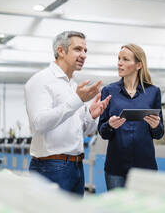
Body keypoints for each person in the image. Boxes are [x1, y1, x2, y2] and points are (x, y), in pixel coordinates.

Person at [24, 31, 111, 196]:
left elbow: (83, 130)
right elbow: (39, 123)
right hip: (51, 167)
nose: (84, 55)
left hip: (76, 165)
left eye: (85, 51)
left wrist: (91, 116)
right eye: (78, 49)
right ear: (61, 51)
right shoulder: (41, 81)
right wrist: (77, 100)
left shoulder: (72, 85)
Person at [98, 43, 164, 190]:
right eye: (119, 58)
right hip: (116, 167)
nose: (119, 63)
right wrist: (109, 125)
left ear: (138, 65)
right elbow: (102, 132)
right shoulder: (109, 91)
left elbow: (159, 133)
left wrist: (155, 126)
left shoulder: (153, 92)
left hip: (145, 167)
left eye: (125, 59)